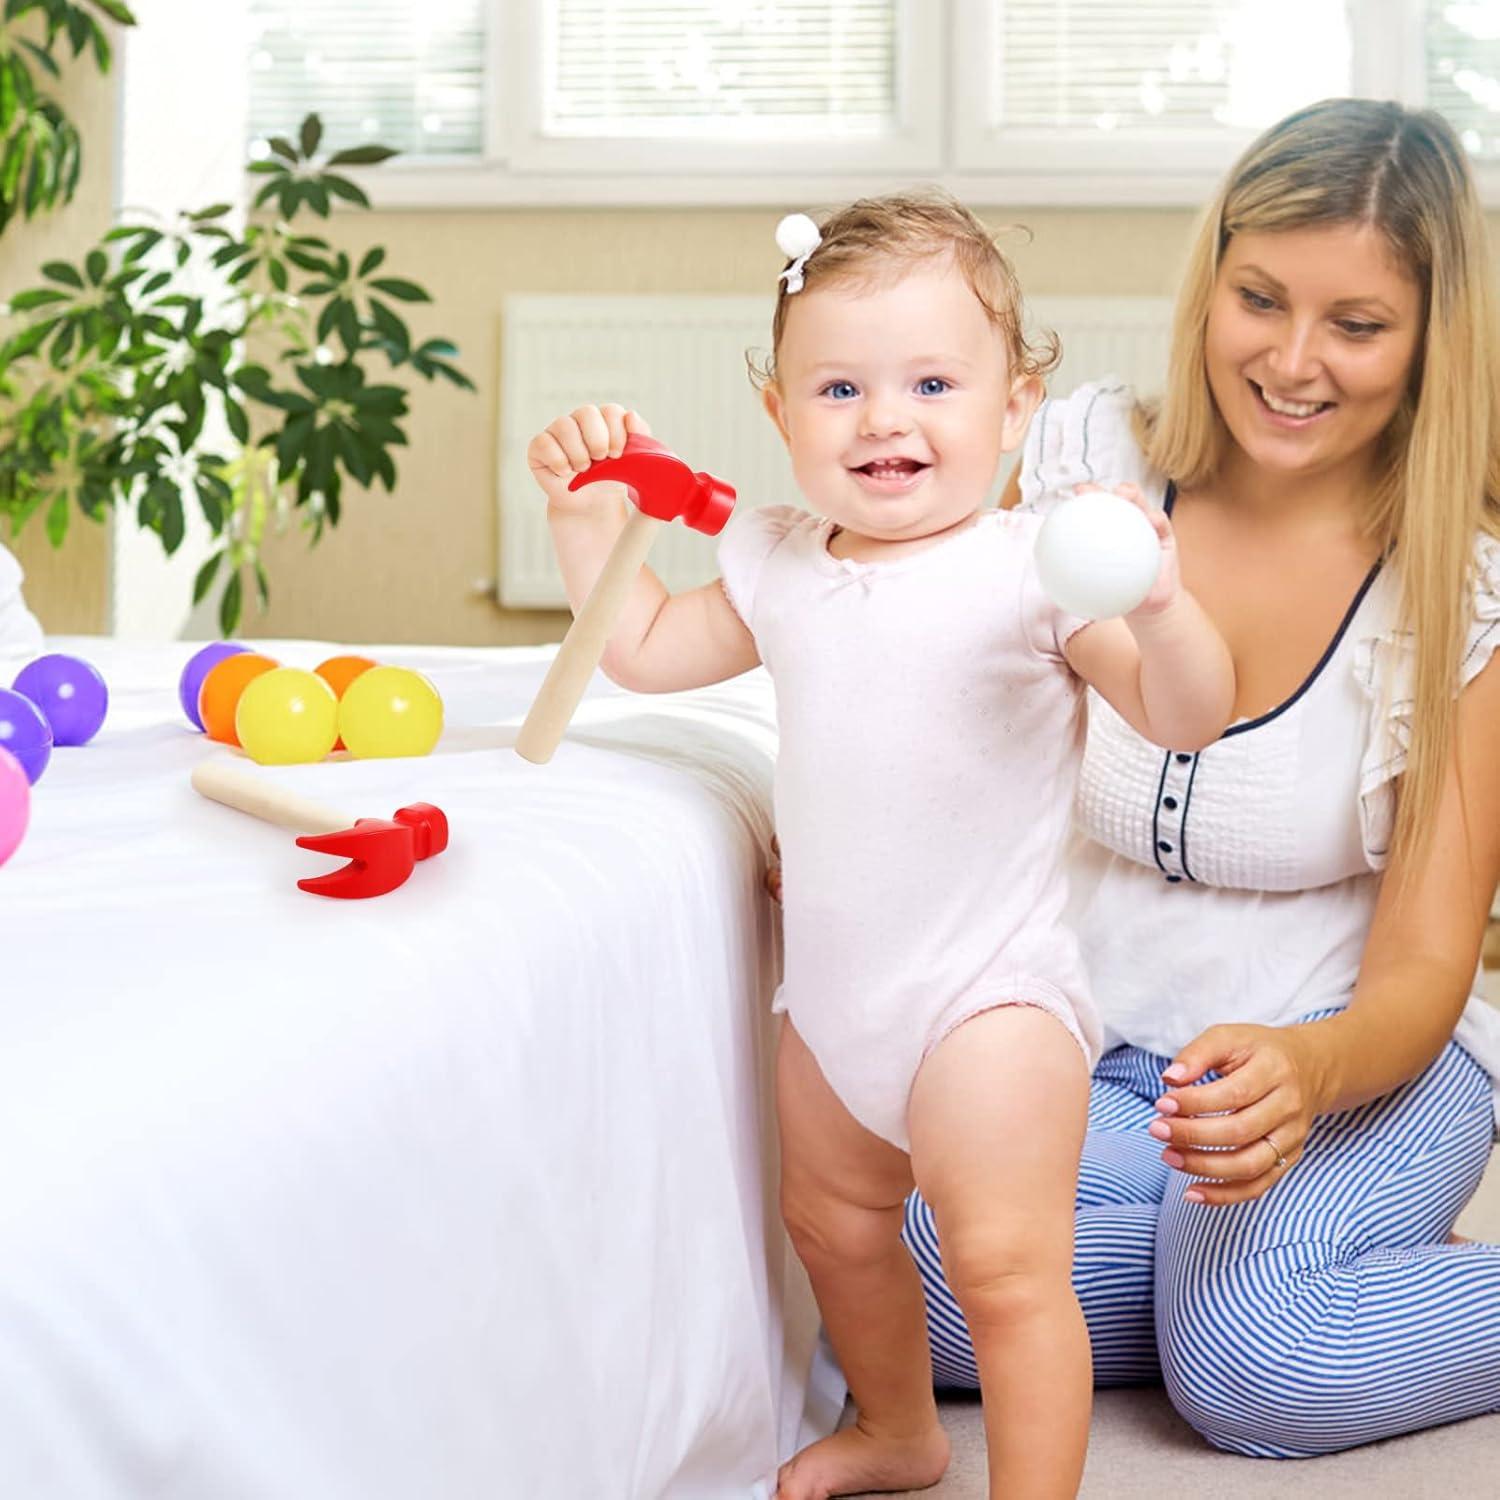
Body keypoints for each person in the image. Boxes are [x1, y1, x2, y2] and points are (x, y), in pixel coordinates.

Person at [526, 191, 1235, 1499]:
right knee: (835, 1228)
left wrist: (1166, 601)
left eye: (930, 382)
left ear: (1013, 410)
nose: (884, 418)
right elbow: (641, 650)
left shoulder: (1037, 572)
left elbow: (1185, 712)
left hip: (990, 997)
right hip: (838, 1001)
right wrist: (587, 524)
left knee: (1005, 1268)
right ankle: (901, 1430)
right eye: (839, 386)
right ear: (780, 415)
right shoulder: (777, 561)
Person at [879, 98, 1500, 1459]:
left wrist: (1304, 1064)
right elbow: (942, 689)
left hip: (1356, 1061)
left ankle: (1298, 1286)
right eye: (1260, 298)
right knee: (916, 1270)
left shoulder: (1467, 589)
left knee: (1258, 1369)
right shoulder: (1085, 471)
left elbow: (1423, 968)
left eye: (1358, 324)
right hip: (1107, 1059)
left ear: (1431, 339)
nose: (1291, 360)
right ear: (1210, 280)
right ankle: (1310, 1276)